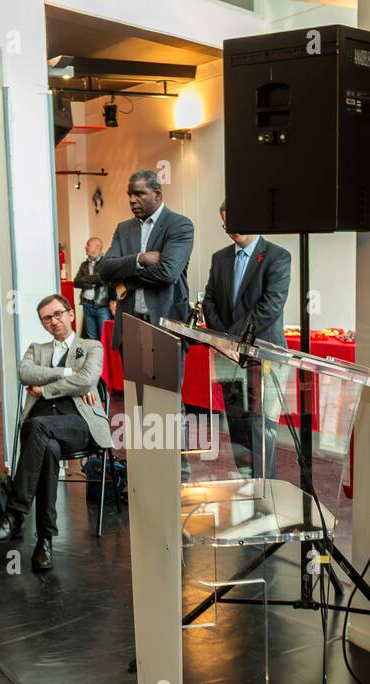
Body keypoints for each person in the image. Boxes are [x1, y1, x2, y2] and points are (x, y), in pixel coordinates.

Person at [0, 294, 111, 572]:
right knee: (47, 447)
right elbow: (25, 373)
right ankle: (44, 543)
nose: (54, 321)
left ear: (70, 314)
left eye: (58, 314)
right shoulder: (36, 349)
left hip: (79, 424)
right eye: (47, 318)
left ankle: (15, 515)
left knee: (37, 429)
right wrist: (66, 372)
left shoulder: (91, 346)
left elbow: (88, 379)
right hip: (42, 429)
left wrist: (47, 389)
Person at [200, 200, 292, 477]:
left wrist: (231, 339)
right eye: (227, 224)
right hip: (228, 356)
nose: (232, 230)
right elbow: (210, 301)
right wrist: (224, 341)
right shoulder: (220, 258)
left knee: (261, 429)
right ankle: (246, 485)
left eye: (237, 222)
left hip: (263, 356)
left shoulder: (278, 257)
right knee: (237, 424)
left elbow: (269, 307)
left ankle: (265, 495)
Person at [98, 169, 194, 350]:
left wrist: (127, 279)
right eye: (130, 195)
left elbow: (168, 273)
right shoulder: (124, 228)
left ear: (157, 195)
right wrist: (139, 259)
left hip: (166, 326)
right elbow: (104, 269)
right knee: (130, 380)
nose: (132, 200)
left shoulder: (179, 224)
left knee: (165, 379)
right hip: (129, 326)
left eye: (139, 194)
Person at [72, 237, 112, 343]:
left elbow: (101, 279)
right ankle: (95, 360)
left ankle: (104, 360)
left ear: (97, 247)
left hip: (102, 307)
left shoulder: (106, 263)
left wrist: (85, 279)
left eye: (88, 244)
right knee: (91, 340)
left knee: (105, 339)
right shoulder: (84, 265)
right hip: (87, 305)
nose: (85, 247)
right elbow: (76, 282)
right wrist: (91, 284)